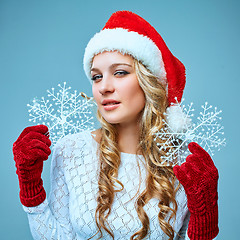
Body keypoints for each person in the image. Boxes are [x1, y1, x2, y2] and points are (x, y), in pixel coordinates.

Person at [12, 11, 219, 240]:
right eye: (96, 77)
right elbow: (58, 237)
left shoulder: (185, 165)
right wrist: (30, 185)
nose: (104, 87)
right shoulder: (70, 150)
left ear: (149, 81)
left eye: (120, 73)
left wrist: (205, 218)